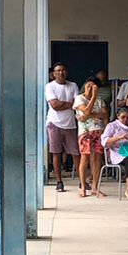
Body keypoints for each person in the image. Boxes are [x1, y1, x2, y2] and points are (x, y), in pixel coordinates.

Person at [45, 62, 79, 194]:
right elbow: (54, 105)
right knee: (56, 152)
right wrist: (69, 104)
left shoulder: (73, 85)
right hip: (54, 123)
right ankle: (59, 181)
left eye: (63, 70)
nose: (61, 72)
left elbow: (76, 104)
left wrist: (63, 104)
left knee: (76, 153)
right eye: (58, 70)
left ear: (67, 72)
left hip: (70, 124)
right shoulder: (50, 86)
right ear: (53, 74)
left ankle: (82, 181)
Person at [74, 78, 108, 198]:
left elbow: (105, 115)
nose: (90, 89)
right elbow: (86, 110)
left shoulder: (101, 100)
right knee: (85, 158)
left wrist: (89, 115)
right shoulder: (79, 98)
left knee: (97, 159)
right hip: (85, 132)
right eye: (88, 86)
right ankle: (83, 187)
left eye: (93, 87)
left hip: (98, 131)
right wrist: (93, 97)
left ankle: (95, 187)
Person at [101, 106, 128, 200]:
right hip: (118, 153)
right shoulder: (112, 126)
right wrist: (120, 137)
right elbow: (105, 142)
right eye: (123, 117)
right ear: (118, 116)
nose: (125, 120)